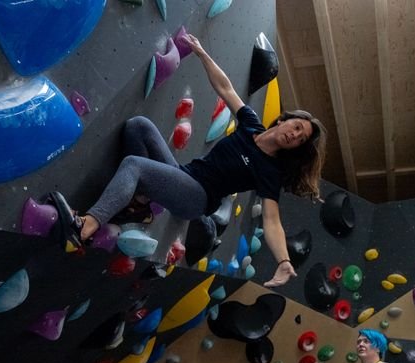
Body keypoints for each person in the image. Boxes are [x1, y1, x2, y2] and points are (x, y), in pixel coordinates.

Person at [76, 33, 326, 288]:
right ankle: (138, 204)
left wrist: (283, 261)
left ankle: (88, 224)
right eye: (296, 127)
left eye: (300, 138)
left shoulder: (269, 170)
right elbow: (225, 87)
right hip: (185, 174)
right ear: (284, 120)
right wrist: (202, 53)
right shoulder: (251, 125)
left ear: (296, 146)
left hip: (197, 197)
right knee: (138, 126)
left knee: (134, 165)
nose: (294, 135)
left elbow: (271, 220)